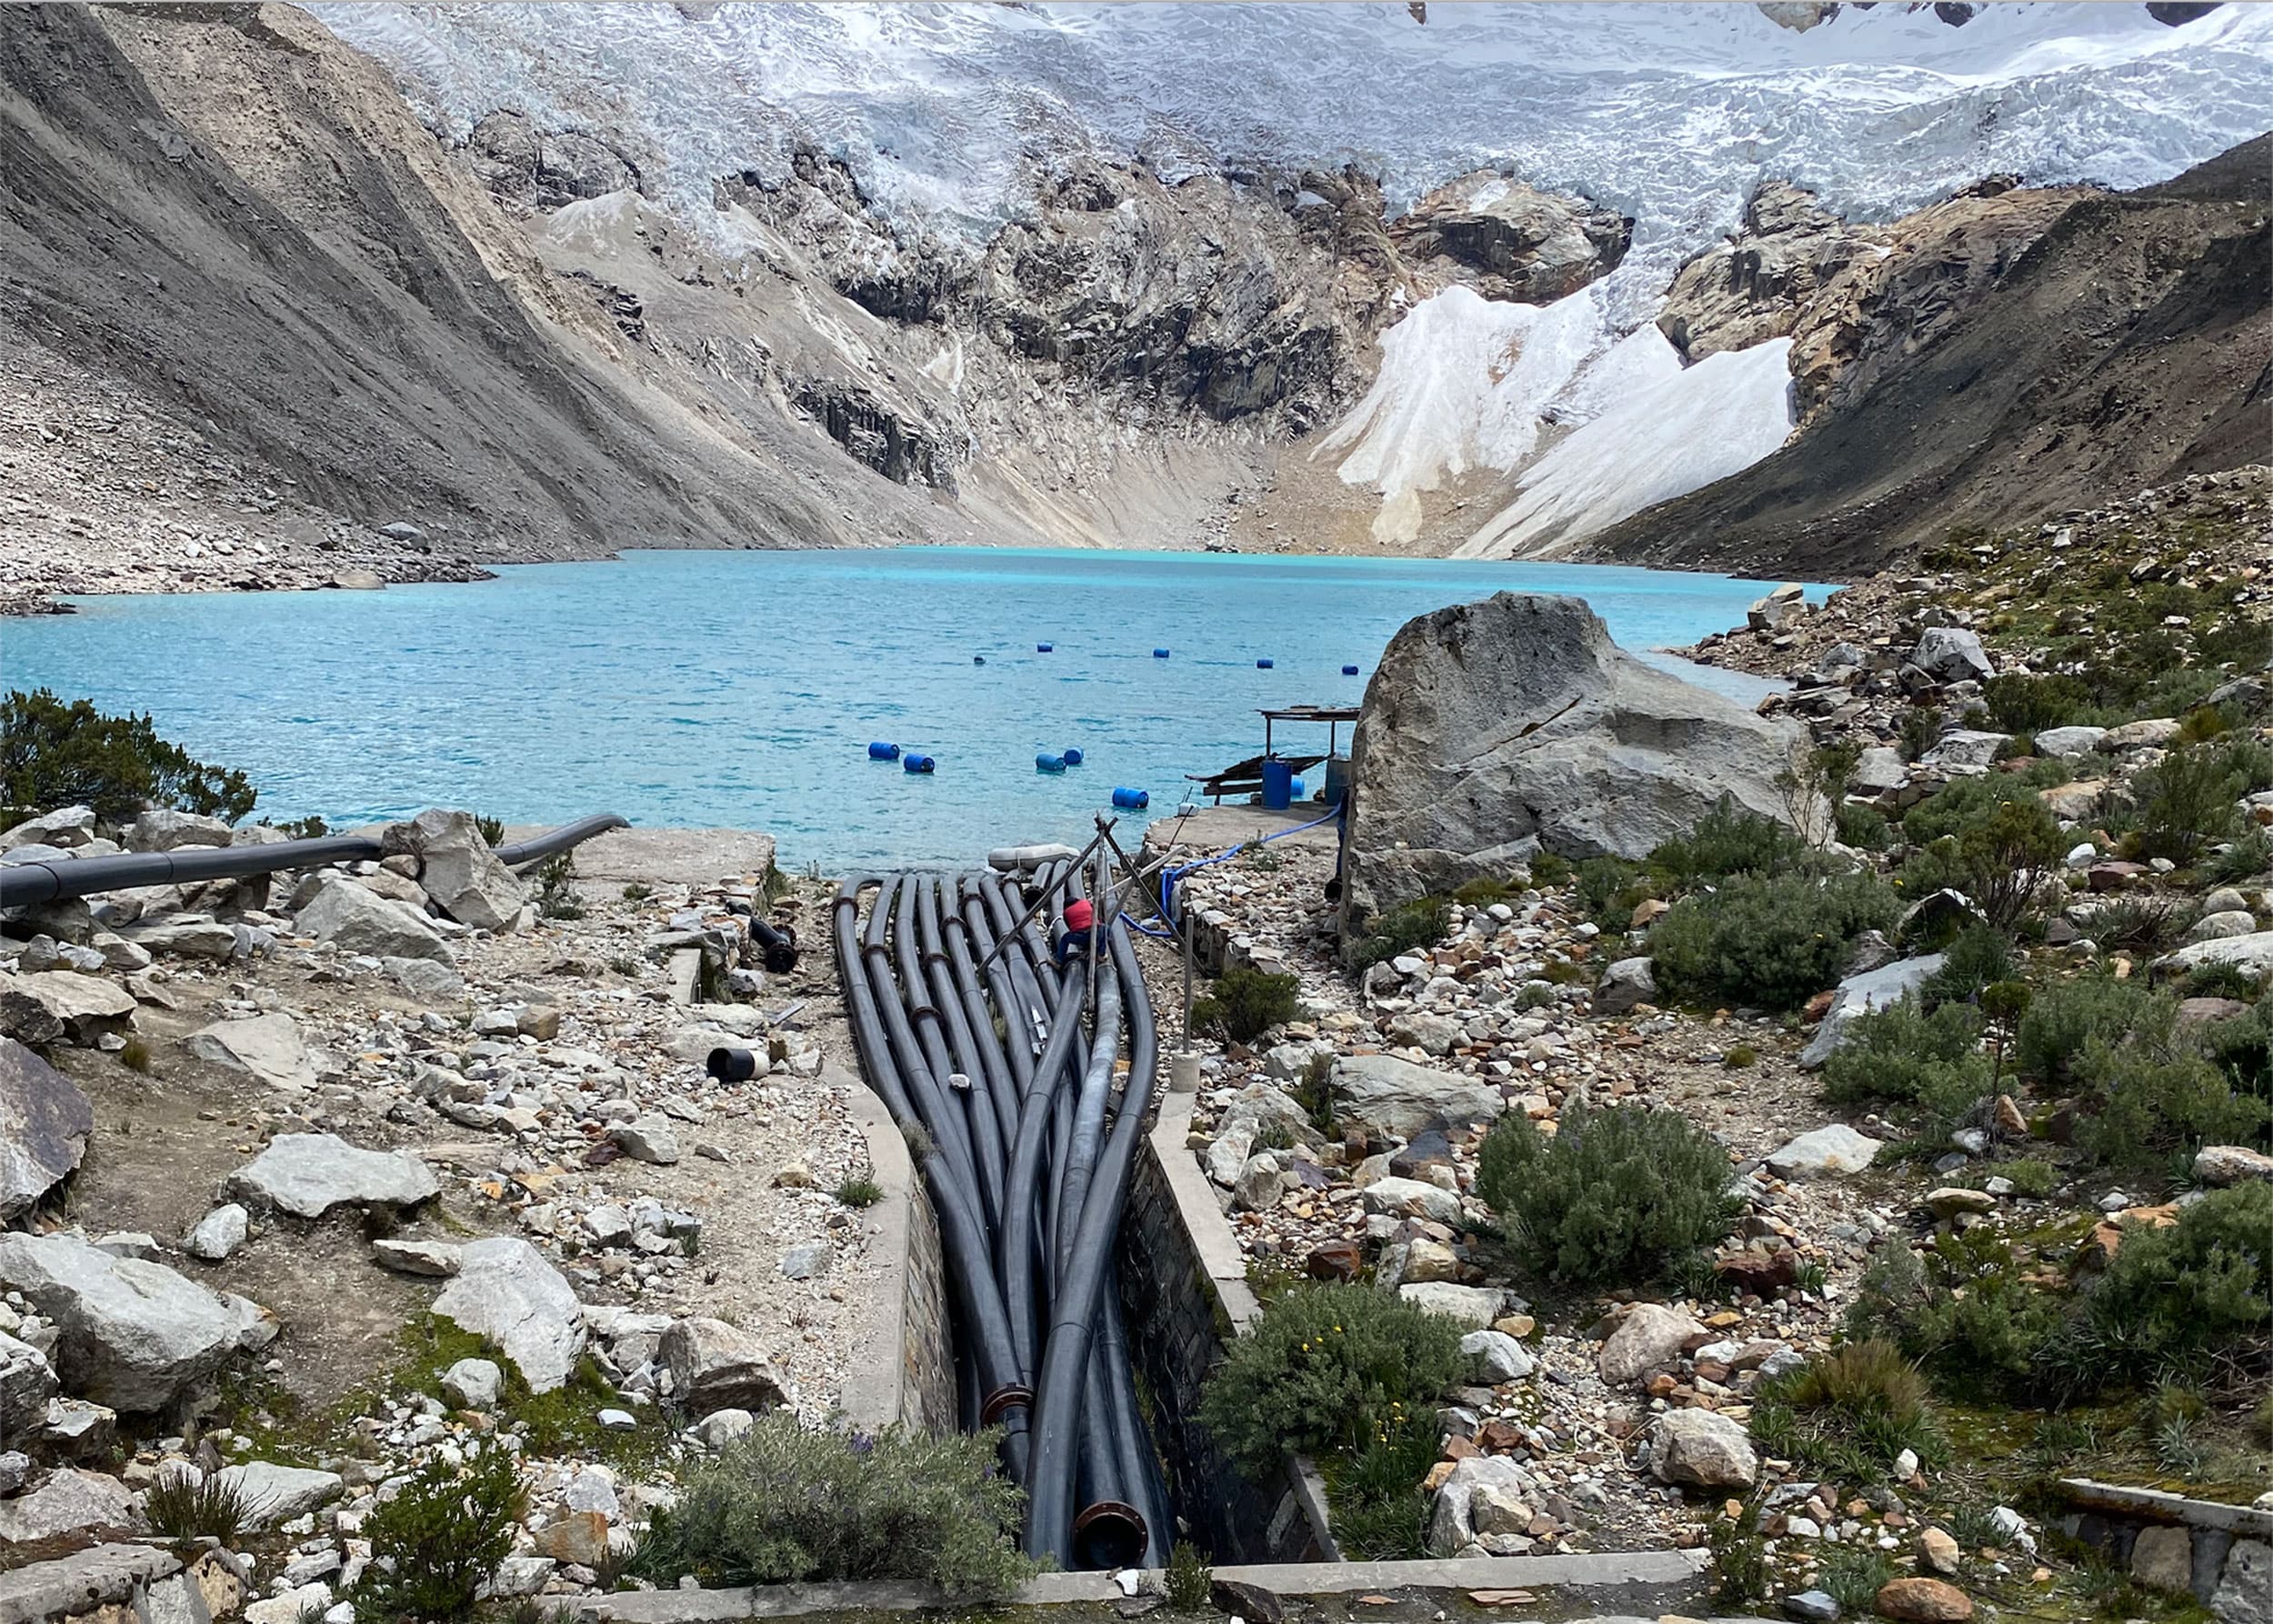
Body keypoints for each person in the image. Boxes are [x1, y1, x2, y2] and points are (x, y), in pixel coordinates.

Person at [1053, 897, 1095, 967]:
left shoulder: (1067, 912)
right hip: (1096, 933)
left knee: (1065, 938)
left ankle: (1058, 961)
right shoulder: (1085, 902)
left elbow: (1071, 927)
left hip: (1083, 936)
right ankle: (1101, 954)